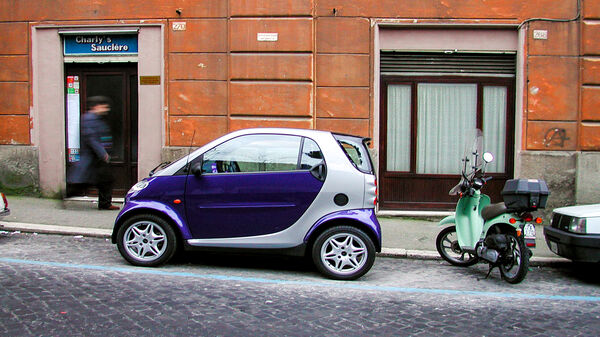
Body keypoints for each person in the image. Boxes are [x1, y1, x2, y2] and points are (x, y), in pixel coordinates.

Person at [68, 96, 119, 210]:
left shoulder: (98, 118)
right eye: (104, 106)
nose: (106, 109)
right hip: (93, 158)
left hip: (98, 158)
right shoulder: (89, 119)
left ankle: (105, 204)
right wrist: (103, 153)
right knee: (86, 182)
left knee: (105, 180)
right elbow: (92, 138)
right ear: (96, 106)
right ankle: (66, 194)